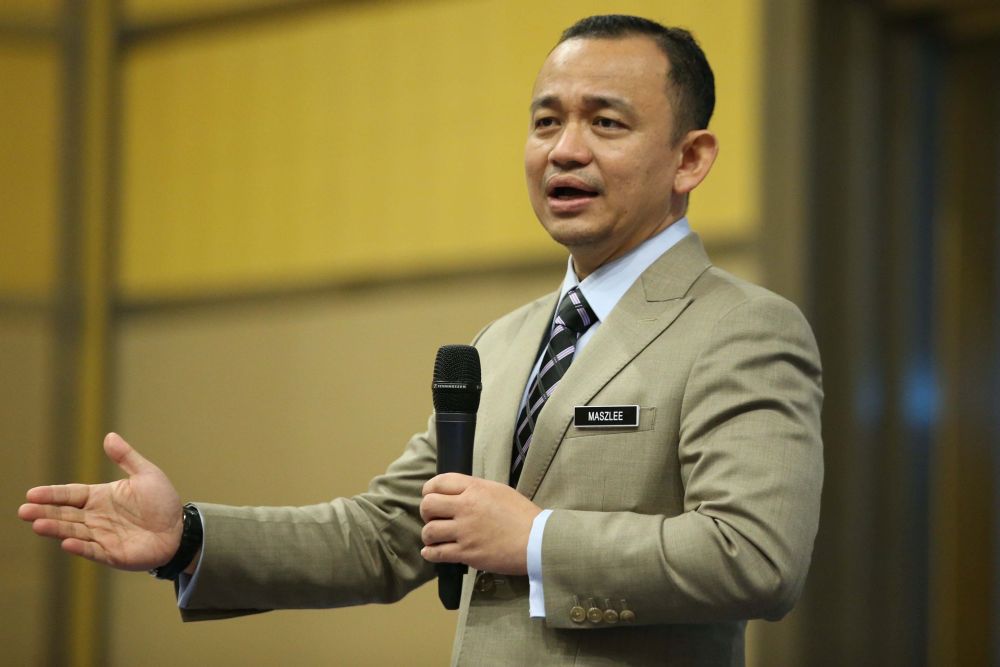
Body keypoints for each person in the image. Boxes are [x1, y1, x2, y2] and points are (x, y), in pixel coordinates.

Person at [19, 14, 823, 665]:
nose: (565, 149)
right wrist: (189, 535)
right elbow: (384, 534)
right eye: (547, 121)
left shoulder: (741, 328)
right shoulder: (504, 344)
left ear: (691, 158)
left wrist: (535, 539)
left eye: (606, 122)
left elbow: (754, 554)